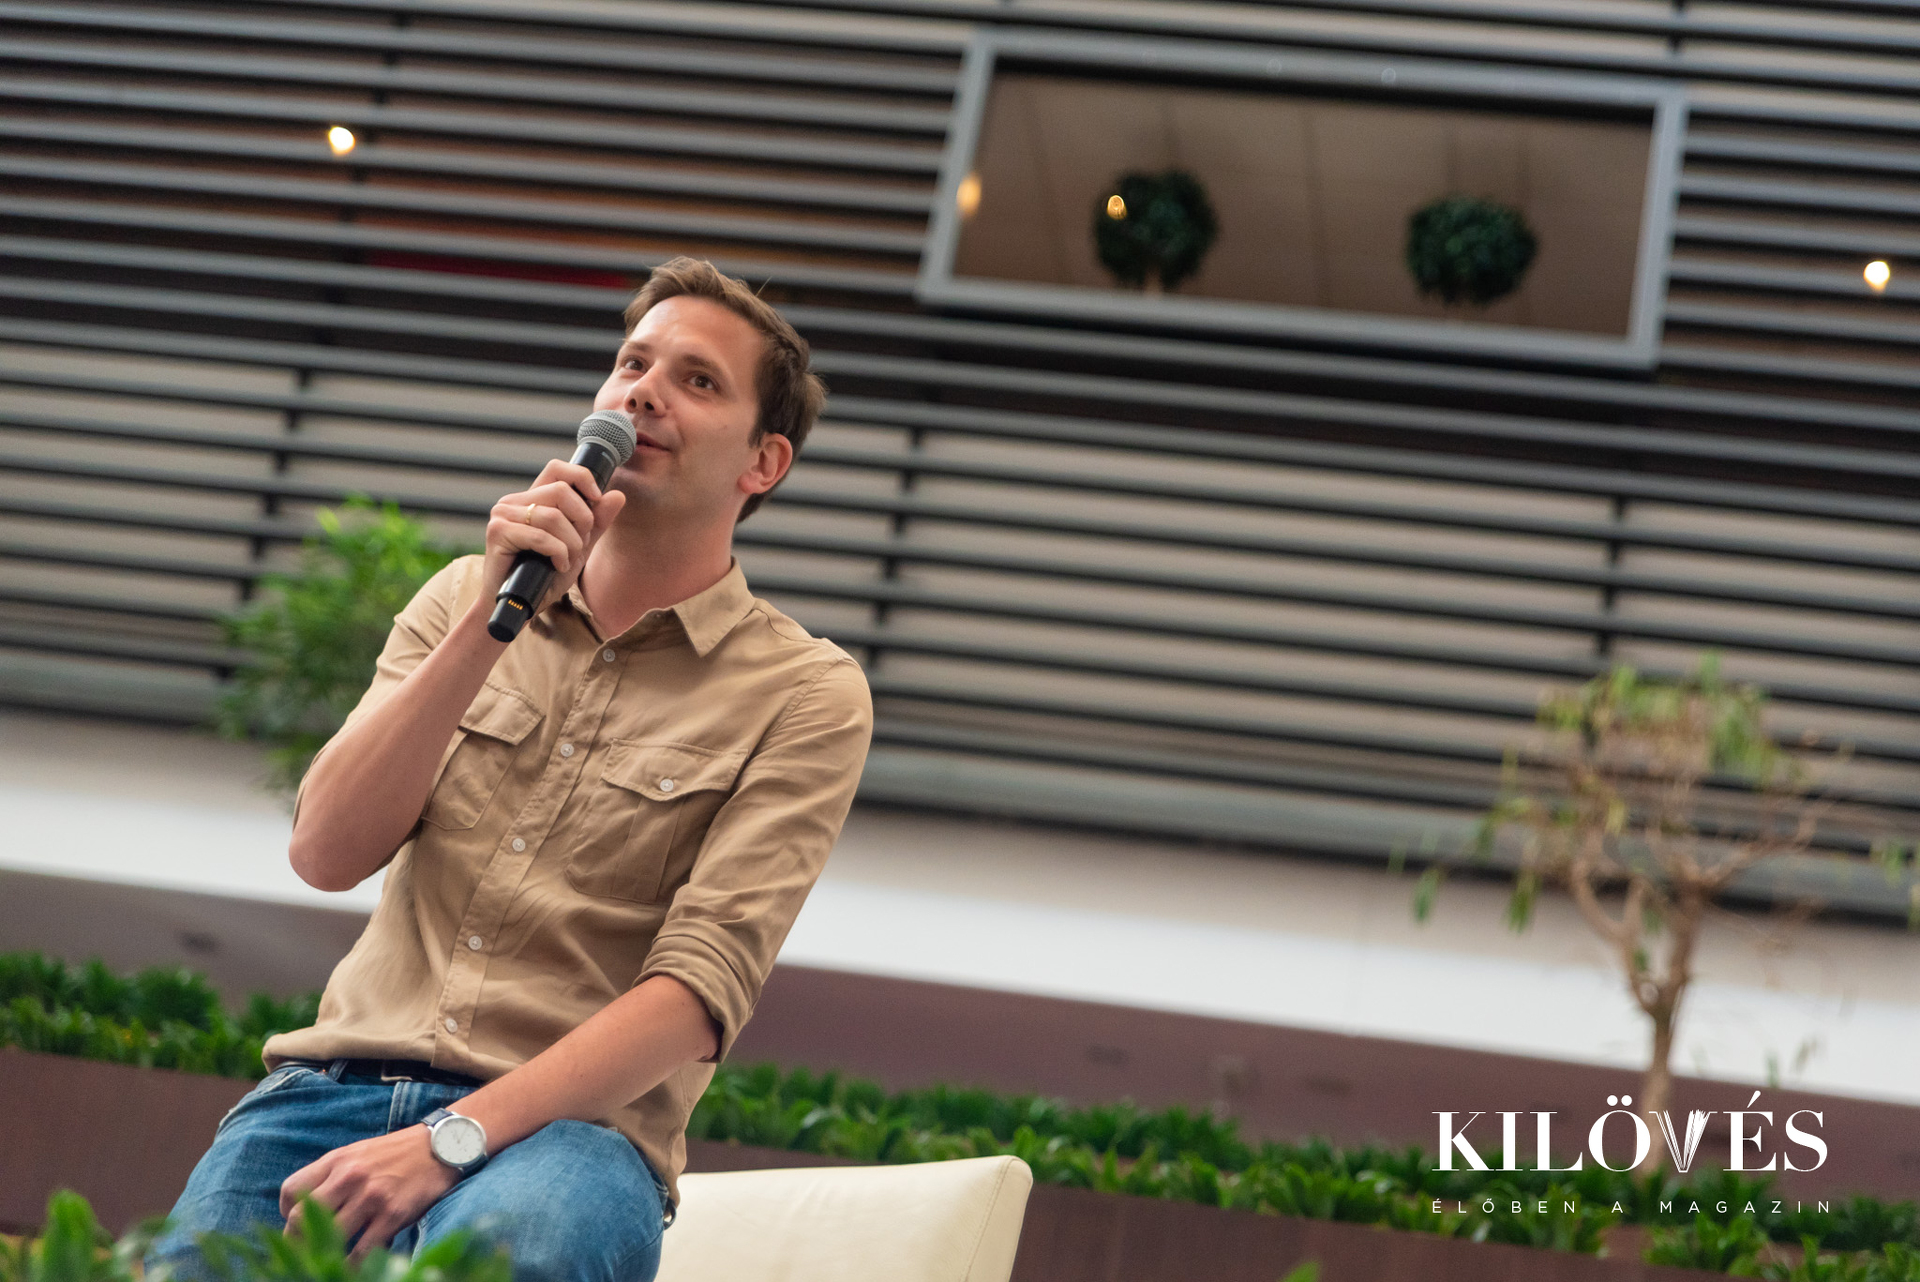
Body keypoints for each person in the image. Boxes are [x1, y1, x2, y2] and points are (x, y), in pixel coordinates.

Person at [144, 257, 874, 1282]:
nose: (644, 392)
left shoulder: (805, 692)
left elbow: (696, 995)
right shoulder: (463, 595)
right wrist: (492, 622)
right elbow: (325, 851)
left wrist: (450, 1140)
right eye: (632, 363)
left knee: (504, 1257)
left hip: (570, 1140)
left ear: (765, 462)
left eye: (698, 380)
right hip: (327, 1094)